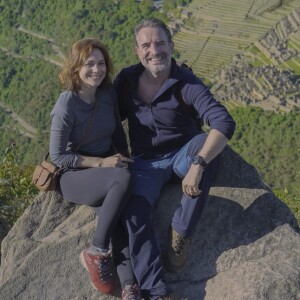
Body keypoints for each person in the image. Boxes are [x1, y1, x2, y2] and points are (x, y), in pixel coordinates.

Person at [113, 18, 236, 299]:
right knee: (133, 214)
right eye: (146, 45)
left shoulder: (185, 82)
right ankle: (156, 292)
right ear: (137, 51)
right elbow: (107, 117)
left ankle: (180, 231)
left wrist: (198, 164)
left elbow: (223, 122)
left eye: (160, 43)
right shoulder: (127, 82)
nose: (154, 50)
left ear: (171, 46)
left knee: (209, 146)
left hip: (184, 154)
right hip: (145, 162)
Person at [49, 38, 141, 300]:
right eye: (89, 64)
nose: (96, 70)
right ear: (76, 67)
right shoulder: (66, 104)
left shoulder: (107, 94)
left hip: (107, 171)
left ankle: (129, 287)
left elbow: (117, 137)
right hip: (74, 175)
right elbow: (58, 156)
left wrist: (125, 157)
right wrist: (102, 163)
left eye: (101, 63)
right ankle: (96, 252)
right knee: (122, 180)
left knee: (122, 217)